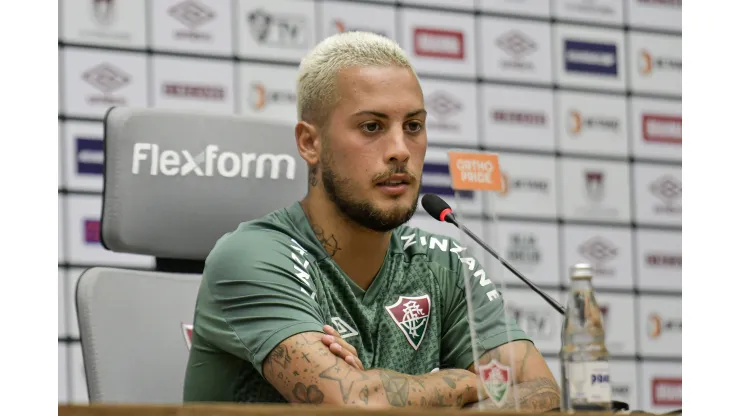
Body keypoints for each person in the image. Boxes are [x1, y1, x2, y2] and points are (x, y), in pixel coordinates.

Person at [182, 31, 560, 410]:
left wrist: (381, 389)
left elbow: (543, 391)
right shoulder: (252, 256)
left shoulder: (444, 263)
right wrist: (463, 383)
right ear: (310, 144)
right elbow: (351, 404)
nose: (399, 150)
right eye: (372, 127)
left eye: (413, 126)